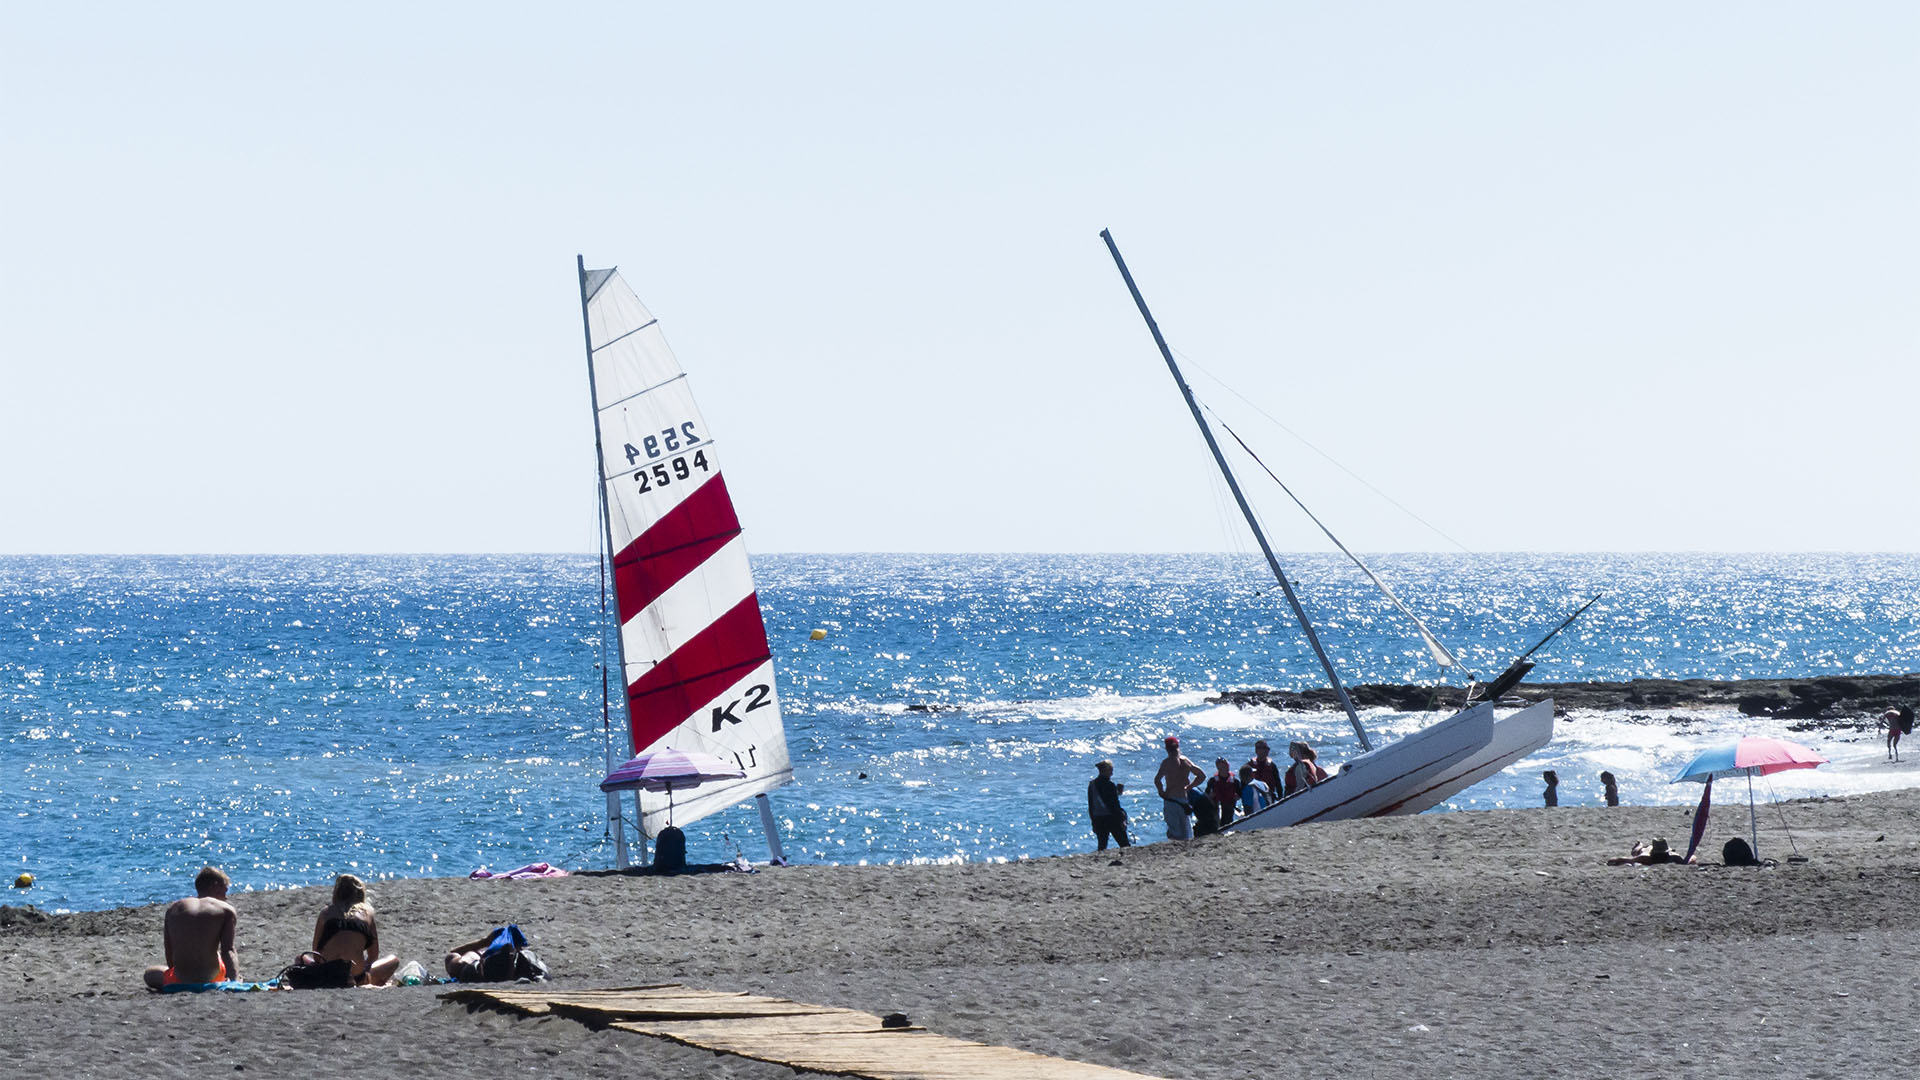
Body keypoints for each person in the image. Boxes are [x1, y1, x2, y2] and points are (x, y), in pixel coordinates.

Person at [142, 865, 239, 990]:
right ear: (215, 886)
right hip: (212, 977)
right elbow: (228, 950)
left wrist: (176, 976)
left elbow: (169, 950)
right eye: (225, 886)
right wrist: (235, 981)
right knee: (217, 954)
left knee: (150, 974)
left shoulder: (173, 909)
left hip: (180, 980)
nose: (226, 892)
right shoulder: (226, 909)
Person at [311, 873, 399, 987]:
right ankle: (371, 980)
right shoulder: (368, 913)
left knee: (300, 959)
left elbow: (316, 954)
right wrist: (363, 966)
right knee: (394, 960)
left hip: (327, 975)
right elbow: (373, 955)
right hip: (356, 977)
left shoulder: (325, 913)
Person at [1154, 736, 1205, 841]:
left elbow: (1157, 780)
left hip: (1171, 799)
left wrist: (1161, 792)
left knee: (1174, 832)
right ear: (1178, 747)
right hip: (1183, 799)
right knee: (1187, 832)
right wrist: (1189, 787)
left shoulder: (1166, 763)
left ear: (1167, 749)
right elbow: (1201, 776)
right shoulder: (1185, 761)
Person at [1087, 759, 1130, 851]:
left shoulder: (1092, 784)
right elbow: (1114, 804)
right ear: (1106, 771)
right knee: (1125, 844)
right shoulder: (1110, 785)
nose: (1112, 774)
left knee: (1102, 846)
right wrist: (1122, 820)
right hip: (1112, 819)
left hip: (1098, 819)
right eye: (1111, 771)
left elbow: (1091, 805)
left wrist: (1093, 822)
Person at [1206, 758, 1241, 828]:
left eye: (1224, 766)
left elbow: (1240, 793)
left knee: (1227, 820)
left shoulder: (1235, 781)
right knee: (1215, 819)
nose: (1223, 768)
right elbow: (1206, 794)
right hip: (1216, 803)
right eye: (1220, 767)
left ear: (1228, 766)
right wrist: (1210, 796)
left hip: (1229, 804)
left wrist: (1237, 797)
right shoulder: (1212, 781)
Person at [1607, 838, 1692, 866]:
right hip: (1646, 850)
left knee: (1637, 853)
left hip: (1650, 850)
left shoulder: (1674, 857)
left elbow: (1691, 859)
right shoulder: (1645, 857)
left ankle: (1640, 845)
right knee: (1636, 851)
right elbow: (1625, 859)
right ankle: (1639, 845)